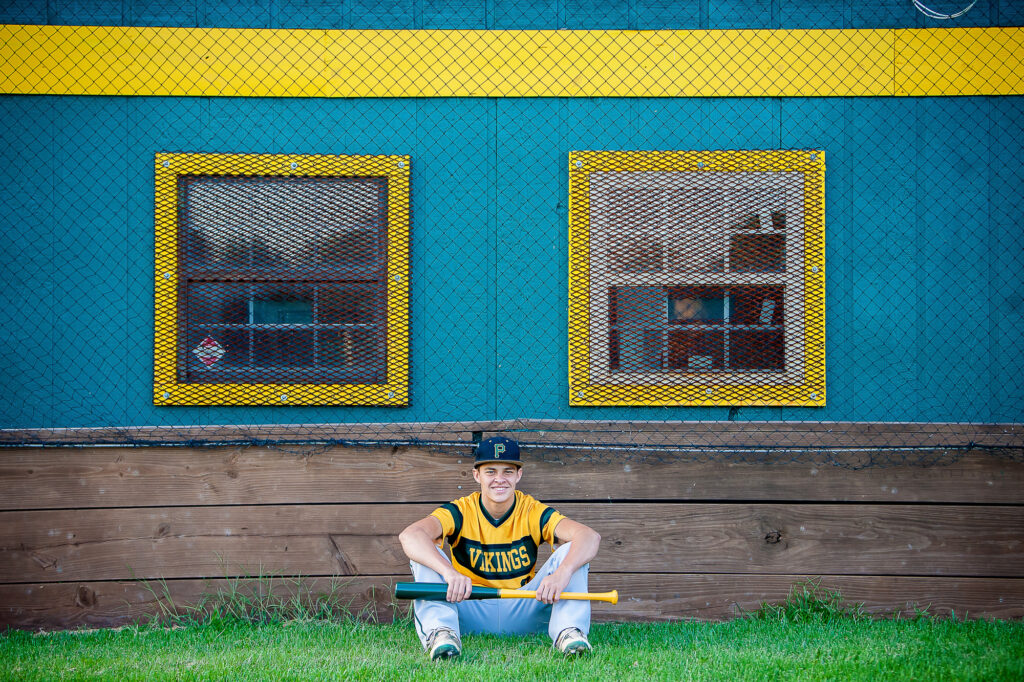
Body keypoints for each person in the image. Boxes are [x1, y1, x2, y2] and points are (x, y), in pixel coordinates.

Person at [398, 436, 602, 661]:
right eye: (490, 471)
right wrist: (449, 572)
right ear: (477, 475)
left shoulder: (531, 510)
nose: (499, 479)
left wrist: (562, 574)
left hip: (524, 606)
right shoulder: (461, 510)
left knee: (571, 551)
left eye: (507, 471)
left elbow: (589, 536)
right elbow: (410, 536)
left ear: (518, 475)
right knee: (426, 555)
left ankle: (569, 633)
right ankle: (442, 634)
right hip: (468, 604)